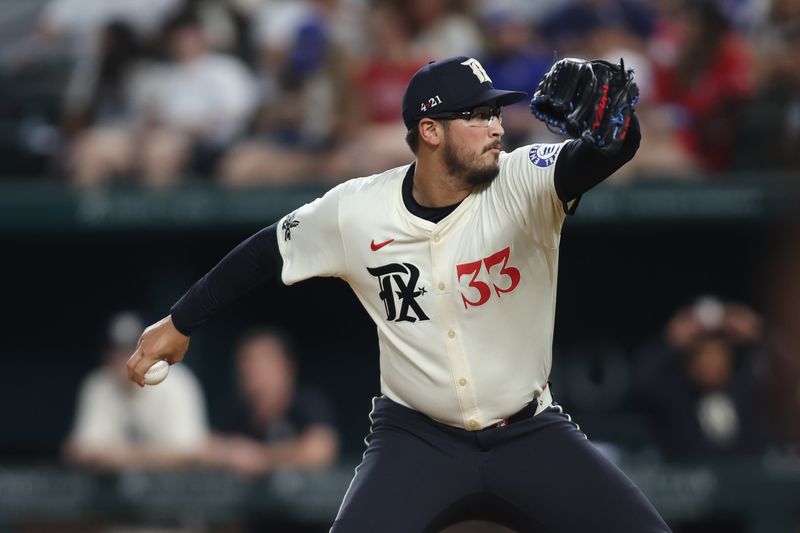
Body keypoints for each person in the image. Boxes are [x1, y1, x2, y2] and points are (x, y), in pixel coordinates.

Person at [127, 56, 670, 532]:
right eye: (477, 116)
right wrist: (180, 322)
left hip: (528, 431)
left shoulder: (524, 178)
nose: (496, 127)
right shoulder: (358, 209)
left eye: (496, 113)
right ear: (430, 131)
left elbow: (600, 156)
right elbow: (267, 250)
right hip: (418, 440)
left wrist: (616, 130)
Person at [65, 311, 210, 470]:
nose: (125, 359)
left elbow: (192, 451)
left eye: (133, 350)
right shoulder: (98, 385)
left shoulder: (177, 381)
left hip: (171, 489)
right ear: (105, 356)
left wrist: (125, 456)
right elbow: (78, 450)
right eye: (117, 352)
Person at [205, 328, 339, 476]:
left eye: (263, 366)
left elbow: (320, 450)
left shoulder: (307, 403)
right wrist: (230, 452)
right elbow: (205, 447)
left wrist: (262, 458)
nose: (254, 376)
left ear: (286, 368)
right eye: (248, 367)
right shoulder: (234, 408)